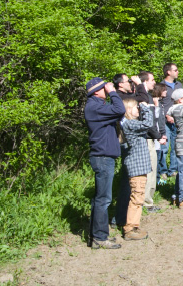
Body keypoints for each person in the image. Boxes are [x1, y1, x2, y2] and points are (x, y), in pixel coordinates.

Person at [84, 77, 126, 249]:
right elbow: (120, 108)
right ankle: (100, 238)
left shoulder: (97, 107)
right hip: (102, 157)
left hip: (104, 156)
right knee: (103, 199)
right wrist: (114, 92)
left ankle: (96, 236)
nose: (106, 89)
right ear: (96, 91)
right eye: (103, 88)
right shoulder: (94, 107)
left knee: (100, 199)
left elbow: (119, 112)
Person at [117, 98, 161, 240]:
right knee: (136, 197)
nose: (139, 110)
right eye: (136, 108)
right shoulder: (130, 124)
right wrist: (146, 107)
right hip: (136, 167)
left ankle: (134, 225)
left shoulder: (132, 124)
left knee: (138, 196)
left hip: (139, 167)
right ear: (129, 110)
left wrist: (142, 108)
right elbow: (148, 123)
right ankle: (130, 229)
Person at [135, 72, 162, 212]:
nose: (154, 82)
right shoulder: (142, 98)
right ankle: (146, 202)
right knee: (148, 170)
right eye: (152, 80)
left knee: (153, 168)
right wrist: (158, 135)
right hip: (146, 138)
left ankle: (148, 199)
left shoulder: (149, 97)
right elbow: (148, 121)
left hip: (151, 138)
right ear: (144, 82)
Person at [159, 63, 183, 180]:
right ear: (169, 72)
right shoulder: (161, 86)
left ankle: (173, 169)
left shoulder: (179, 85)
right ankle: (162, 171)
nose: (178, 72)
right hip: (164, 121)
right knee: (164, 147)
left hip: (177, 120)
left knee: (175, 146)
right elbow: (158, 104)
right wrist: (167, 116)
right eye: (176, 70)